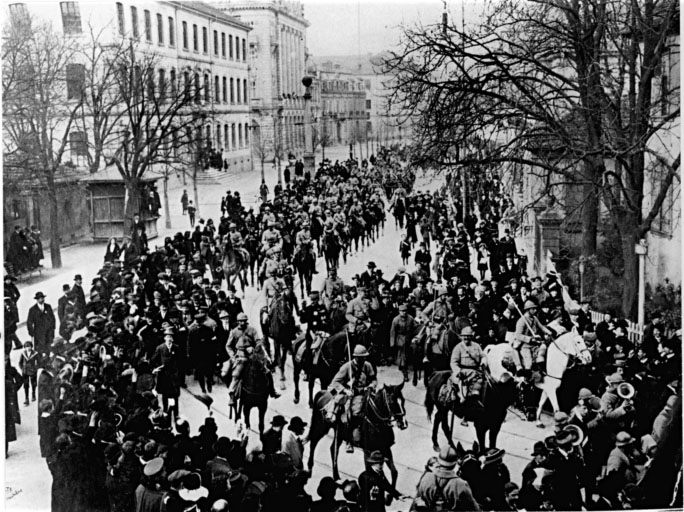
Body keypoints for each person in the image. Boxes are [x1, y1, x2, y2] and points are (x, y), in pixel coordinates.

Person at [330, 344, 377, 451]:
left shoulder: (367, 366)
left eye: (365, 357)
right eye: (361, 357)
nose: (363, 359)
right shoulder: (347, 367)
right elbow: (335, 382)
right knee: (351, 414)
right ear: (356, 357)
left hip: (365, 393)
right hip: (351, 394)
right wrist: (345, 390)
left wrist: (371, 386)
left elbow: (373, 379)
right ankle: (349, 440)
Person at [413, 446, 481, 511]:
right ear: (455, 464)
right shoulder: (461, 485)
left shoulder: (426, 477)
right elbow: (473, 507)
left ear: (438, 462)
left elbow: (419, 497)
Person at [449, 326, 485, 402]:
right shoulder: (458, 347)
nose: (466, 338)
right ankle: (462, 396)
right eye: (464, 336)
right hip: (463, 371)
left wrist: (483, 362)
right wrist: (457, 371)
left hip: (476, 371)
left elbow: (483, 356)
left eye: (468, 336)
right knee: (461, 384)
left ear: (471, 337)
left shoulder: (477, 346)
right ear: (461, 337)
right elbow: (453, 362)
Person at [18, 340, 39, 405]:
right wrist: (22, 368)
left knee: (33, 384)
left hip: (33, 371)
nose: (28, 348)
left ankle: (33, 395)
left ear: (31, 347)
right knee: (26, 385)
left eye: (29, 346)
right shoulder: (23, 353)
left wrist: (36, 369)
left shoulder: (35, 353)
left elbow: (39, 362)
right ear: (24, 347)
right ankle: (26, 398)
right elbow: (20, 362)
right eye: (26, 347)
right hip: (25, 372)